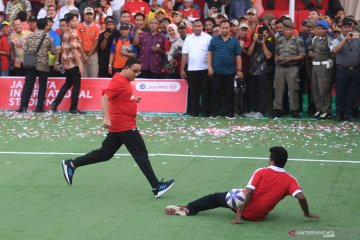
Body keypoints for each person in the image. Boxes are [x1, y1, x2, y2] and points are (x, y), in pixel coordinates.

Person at [61, 58, 175, 198]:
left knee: (105, 154)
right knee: (141, 153)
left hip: (121, 124)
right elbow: (104, 97)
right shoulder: (119, 81)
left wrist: (132, 99)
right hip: (124, 125)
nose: (136, 74)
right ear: (126, 68)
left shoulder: (124, 81)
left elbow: (120, 96)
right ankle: (156, 186)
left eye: (138, 72)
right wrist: (106, 117)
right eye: (134, 71)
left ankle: (72, 164)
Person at [165, 146, 320, 223]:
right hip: (259, 216)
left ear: (271, 160)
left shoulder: (261, 171)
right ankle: (187, 208)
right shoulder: (290, 180)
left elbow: (249, 193)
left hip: (243, 208)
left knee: (216, 198)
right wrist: (306, 214)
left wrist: (239, 215)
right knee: (237, 193)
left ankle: (188, 208)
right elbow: (300, 197)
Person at [17, 18, 57, 113]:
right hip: (42, 64)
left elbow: (25, 48)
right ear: (46, 26)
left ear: (37, 25)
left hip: (31, 63)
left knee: (28, 86)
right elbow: (53, 51)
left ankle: (23, 107)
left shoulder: (30, 35)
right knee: (42, 86)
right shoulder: (48, 37)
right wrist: (58, 48)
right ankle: (39, 108)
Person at [50, 13, 84, 114]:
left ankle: (55, 104)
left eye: (76, 20)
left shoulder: (65, 33)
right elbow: (74, 50)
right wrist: (80, 64)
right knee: (76, 85)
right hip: (73, 63)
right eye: (73, 21)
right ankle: (73, 108)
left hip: (66, 63)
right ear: (69, 22)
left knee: (67, 84)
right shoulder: (73, 33)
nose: (76, 22)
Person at [208, 20, 242, 119]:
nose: (224, 29)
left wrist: (239, 69)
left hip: (230, 71)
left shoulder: (234, 40)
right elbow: (210, 53)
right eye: (223, 28)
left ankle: (229, 113)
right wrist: (209, 66)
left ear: (229, 28)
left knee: (229, 93)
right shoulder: (214, 40)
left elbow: (238, 56)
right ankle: (215, 113)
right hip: (216, 71)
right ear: (220, 28)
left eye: (226, 28)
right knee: (215, 92)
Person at [272, 20, 305, 119]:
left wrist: (292, 59)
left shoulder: (298, 40)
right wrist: (277, 58)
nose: (287, 31)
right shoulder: (279, 39)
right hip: (280, 68)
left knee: (293, 89)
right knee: (278, 89)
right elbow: (276, 53)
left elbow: (302, 55)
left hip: (292, 67)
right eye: (286, 29)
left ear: (293, 30)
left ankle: (294, 110)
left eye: (290, 29)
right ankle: (277, 109)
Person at [331, 17, 360, 122]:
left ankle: (349, 114)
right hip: (342, 70)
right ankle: (339, 113)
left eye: (349, 27)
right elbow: (335, 50)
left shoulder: (357, 39)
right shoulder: (337, 39)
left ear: (352, 27)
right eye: (345, 27)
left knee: (352, 94)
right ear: (341, 28)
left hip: (355, 70)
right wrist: (345, 39)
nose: (347, 29)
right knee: (341, 93)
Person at [181, 19, 212, 117]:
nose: (197, 28)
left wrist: (210, 67)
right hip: (191, 69)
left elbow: (210, 54)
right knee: (193, 92)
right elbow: (184, 55)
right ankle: (194, 111)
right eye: (195, 26)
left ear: (202, 27)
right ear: (192, 27)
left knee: (206, 91)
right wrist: (182, 69)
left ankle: (205, 111)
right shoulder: (188, 38)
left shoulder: (208, 38)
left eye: (199, 26)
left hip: (205, 69)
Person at [307, 20, 333, 120]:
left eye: (322, 28)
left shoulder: (329, 40)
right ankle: (319, 109)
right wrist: (310, 52)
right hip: (315, 66)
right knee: (315, 89)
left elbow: (332, 53)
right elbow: (310, 49)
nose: (319, 30)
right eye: (318, 28)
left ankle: (326, 110)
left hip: (324, 66)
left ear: (326, 29)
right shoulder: (314, 39)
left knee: (324, 89)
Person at [77, 7, 101, 78]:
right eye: (87, 14)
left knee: (94, 75)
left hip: (93, 54)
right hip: (81, 54)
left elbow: (96, 42)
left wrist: (89, 55)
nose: (89, 16)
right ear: (84, 16)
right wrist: (84, 55)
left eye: (90, 14)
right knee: (82, 75)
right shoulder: (79, 26)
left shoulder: (97, 27)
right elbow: (79, 42)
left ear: (93, 15)